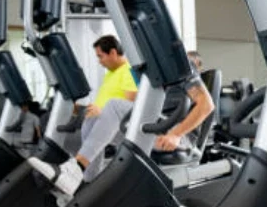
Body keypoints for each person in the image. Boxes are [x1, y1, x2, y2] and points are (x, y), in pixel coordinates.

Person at [28, 50, 215, 198]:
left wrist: (176, 134)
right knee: (95, 116)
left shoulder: (184, 69)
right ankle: (86, 185)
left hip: (174, 137)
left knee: (115, 106)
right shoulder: (161, 77)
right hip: (154, 128)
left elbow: (207, 105)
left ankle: (76, 171)